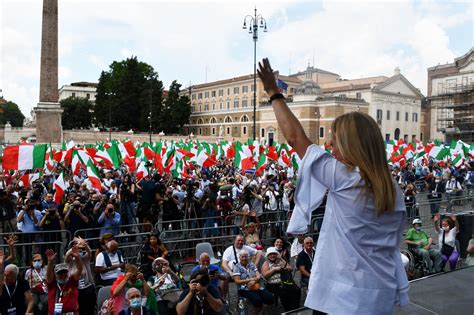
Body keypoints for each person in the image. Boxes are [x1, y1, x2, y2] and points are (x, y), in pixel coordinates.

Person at [258, 58, 409, 314]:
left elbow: (296, 138)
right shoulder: (393, 188)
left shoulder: (346, 178)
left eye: (335, 144)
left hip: (342, 295)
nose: (332, 150)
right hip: (379, 292)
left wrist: (273, 92)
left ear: (352, 146)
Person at [232, 250, 274, 315]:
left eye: (246, 257)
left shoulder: (251, 264)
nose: (244, 258)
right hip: (244, 289)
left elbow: (258, 275)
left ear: (248, 257)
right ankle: (256, 313)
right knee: (257, 300)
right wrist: (250, 280)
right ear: (239, 258)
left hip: (256, 286)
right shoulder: (237, 267)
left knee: (270, 297)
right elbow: (237, 281)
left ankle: (260, 312)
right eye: (242, 257)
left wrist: (254, 281)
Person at [45, 247, 83, 315]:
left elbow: (79, 269)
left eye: (64, 272)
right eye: (60, 273)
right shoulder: (52, 283)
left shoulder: (72, 280)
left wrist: (77, 257)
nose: (63, 275)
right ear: (55, 274)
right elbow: (48, 275)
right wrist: (50, 262)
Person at [261, 247, 300, 312]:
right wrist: (274, 269)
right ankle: (288, 310)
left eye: (274, 254)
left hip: (284, 281)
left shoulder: (280, 260)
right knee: (284, 292)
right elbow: (265, 275)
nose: (272, 255)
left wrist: (287, 268)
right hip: (273, 285)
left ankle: (295, 307)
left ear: (276, 254)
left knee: (297, 290)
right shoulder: (266, 263)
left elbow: (290, 268)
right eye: (270, 254)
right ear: (268, 255)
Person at [65, 237, 96, 315]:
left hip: (87, 288)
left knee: (90, 310)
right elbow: (67, 254)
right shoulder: (69, 261)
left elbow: (90, 252)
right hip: (75, 290)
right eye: (77, 249)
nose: (79, 251)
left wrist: (84, 245)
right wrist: (78, 244)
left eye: (81, 250)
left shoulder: (85, 259)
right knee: (79, 310)